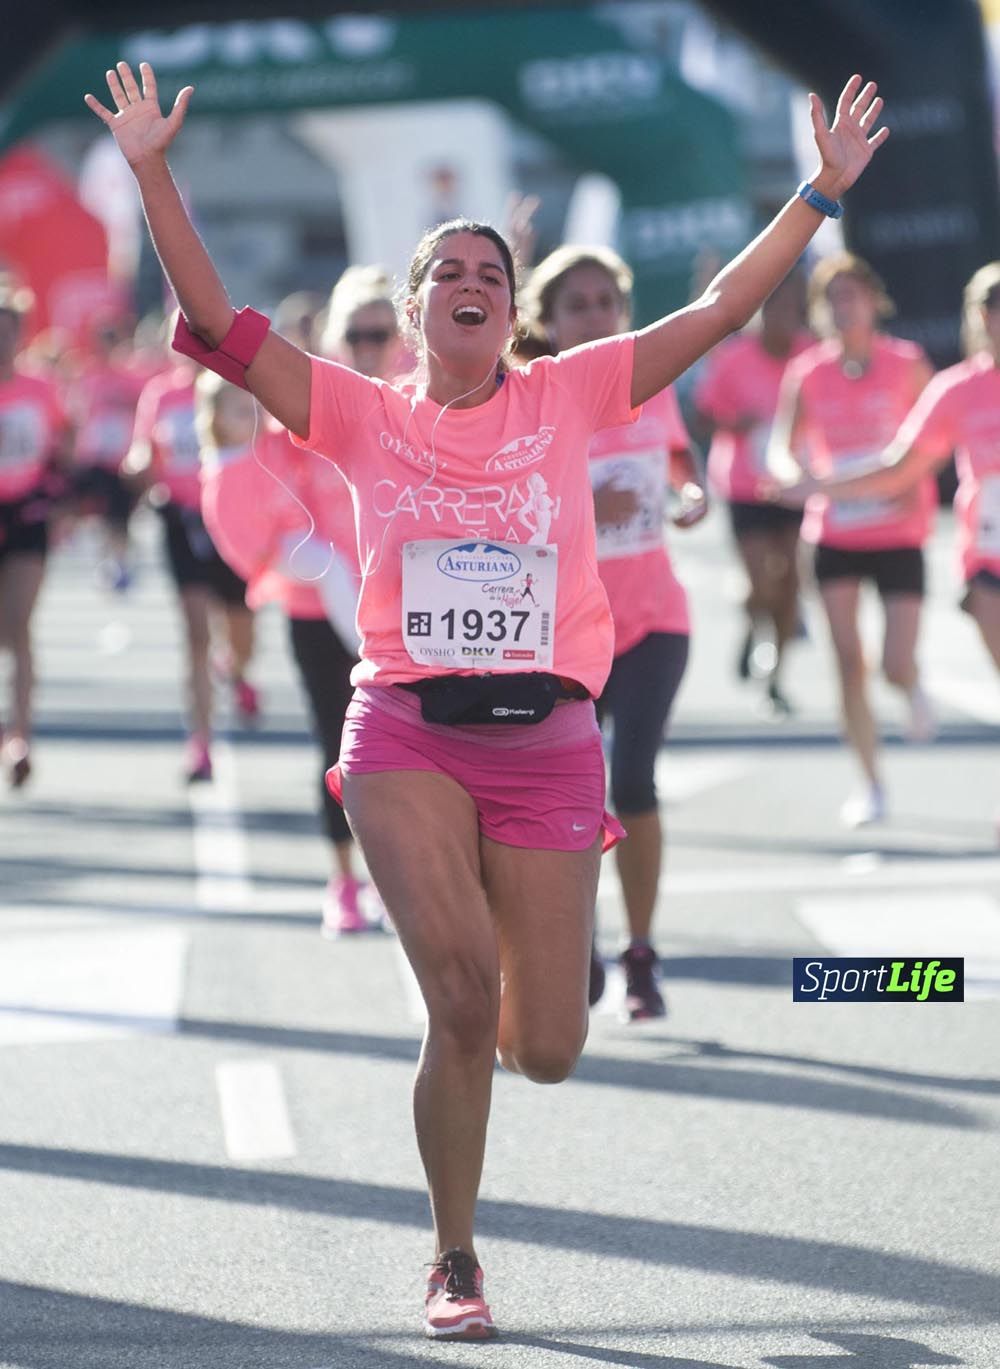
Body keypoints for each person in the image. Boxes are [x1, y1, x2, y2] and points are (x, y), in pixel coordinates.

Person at [86, 59, 888, 1339]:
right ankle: (454, 1256)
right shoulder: (351, 411)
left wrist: (817, 193)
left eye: (488, 276)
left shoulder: (573, 390)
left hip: (551, 734)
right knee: (460, 1004)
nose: (470, 286)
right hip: (404, 724)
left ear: (511, 313)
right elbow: (213, 313)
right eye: (446, 275)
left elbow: (729, 304)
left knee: (548, 1045)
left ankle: (514, 1008)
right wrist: (149, 171)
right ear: (412, 312)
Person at [523, 244, 707, 1020]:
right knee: (572, 801)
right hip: (567, 634)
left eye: (607, 301)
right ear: (550, 324)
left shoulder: (651, 385)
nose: (596, 315)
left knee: (633, 783)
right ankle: (578, 944)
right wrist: (580, 511)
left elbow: (679, 466)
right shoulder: (535, 399)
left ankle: (640, 950)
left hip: (656, 618)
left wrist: (691, 495)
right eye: (578, 305)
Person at [200, 265, 402, 935]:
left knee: (412, 756)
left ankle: (404, 880)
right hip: (323, 617)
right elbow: (242, 459)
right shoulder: (304, 408)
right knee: (338, 743)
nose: (373, 344)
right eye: (359, 332)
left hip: (414, 610)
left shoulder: (419, 402)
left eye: (385, 330)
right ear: (335, 340)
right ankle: (344, 878)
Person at [767, 253, 935, 827]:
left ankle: (911, 686)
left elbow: (936, 440)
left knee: (893, 662)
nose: (844, 307)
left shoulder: (908, 363)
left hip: (898, 529)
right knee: (847, 663)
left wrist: (914, 482)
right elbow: (780, 448)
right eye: (832, 298)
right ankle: (870, 784)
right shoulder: (808, 372)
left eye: (852, 295)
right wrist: (790, 479)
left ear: (873, 301)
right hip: (836, 530)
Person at [791, 260, 1000, 687]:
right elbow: (900, 466)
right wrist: (823, 487)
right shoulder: (956, 390)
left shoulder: (916, 368)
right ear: (984, 317)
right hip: (989, 560)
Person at [127, 348, 261, 782]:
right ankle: (201, 743)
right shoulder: (161, 394)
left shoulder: (234, 385)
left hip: (233, 519)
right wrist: (139, 468)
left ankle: (238, 672)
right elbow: (141, 451)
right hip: (182, 521)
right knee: (196, 634)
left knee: (241, 627)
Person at [693, 270, 812, 715]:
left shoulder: (810, 355)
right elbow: (703, 416)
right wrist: (736, 423)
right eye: (774, 309)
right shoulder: (734, 358)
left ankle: (776, 676)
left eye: (791, 311)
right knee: (763, 583)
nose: (782, 319)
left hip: (795, 485)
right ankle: (752, 618)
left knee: (791, 586)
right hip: (744, 485)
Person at [0, 283, 70, 788]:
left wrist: (61, 497)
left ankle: (19, 733)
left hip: (26, 516)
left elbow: (63, 448)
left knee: (18, 624)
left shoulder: (40, 389)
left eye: (7, 334)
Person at [67, 313, 145, 590]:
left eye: (111, 341)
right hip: (96, 456)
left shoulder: (131, 376)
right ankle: (102, 555)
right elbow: (78, 415)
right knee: (95, 509)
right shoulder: (88, 376)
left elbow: (142, 411)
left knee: (119, 516)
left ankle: (120, 562)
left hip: (122, 459)